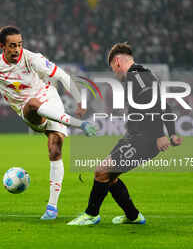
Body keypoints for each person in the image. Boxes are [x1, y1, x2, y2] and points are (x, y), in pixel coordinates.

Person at [0, 26, 96, 219]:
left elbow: (61, 75)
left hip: (51, 102)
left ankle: (52, 207)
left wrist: (80, 100)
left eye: (19, 44)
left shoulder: (32, 58)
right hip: (28, 111)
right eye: (12, 45)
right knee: (32, 104)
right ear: (3, 46)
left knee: (55, 149)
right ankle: (80, 124)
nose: (17, 49)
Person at [67, 42, 183, 226]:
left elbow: (155, 103)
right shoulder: (142, 75)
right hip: (135, 136)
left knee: (102, 171)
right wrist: (173, 132)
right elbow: (164, 104)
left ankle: (91, 214)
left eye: (113, 68)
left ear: (117, 62)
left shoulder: (136, 75)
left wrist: (161, 134)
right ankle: (133, 216)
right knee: (110, 177)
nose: (114, 72)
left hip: (145, 138)